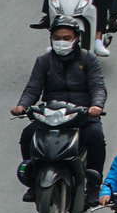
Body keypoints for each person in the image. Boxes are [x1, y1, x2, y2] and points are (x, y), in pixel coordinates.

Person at [12, 17, 107, 193]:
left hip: (81, 114)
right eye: (57, 38)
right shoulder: (44, 61)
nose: (61, 42)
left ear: (76, 38)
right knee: (28, 135)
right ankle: (33, 180)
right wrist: (22, 106)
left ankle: (94, 186)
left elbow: (97, 86)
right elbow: (33, 88)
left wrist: (96, 106)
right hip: (51, 115)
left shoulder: (88, 59)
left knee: (95, 137)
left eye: (66, 38)